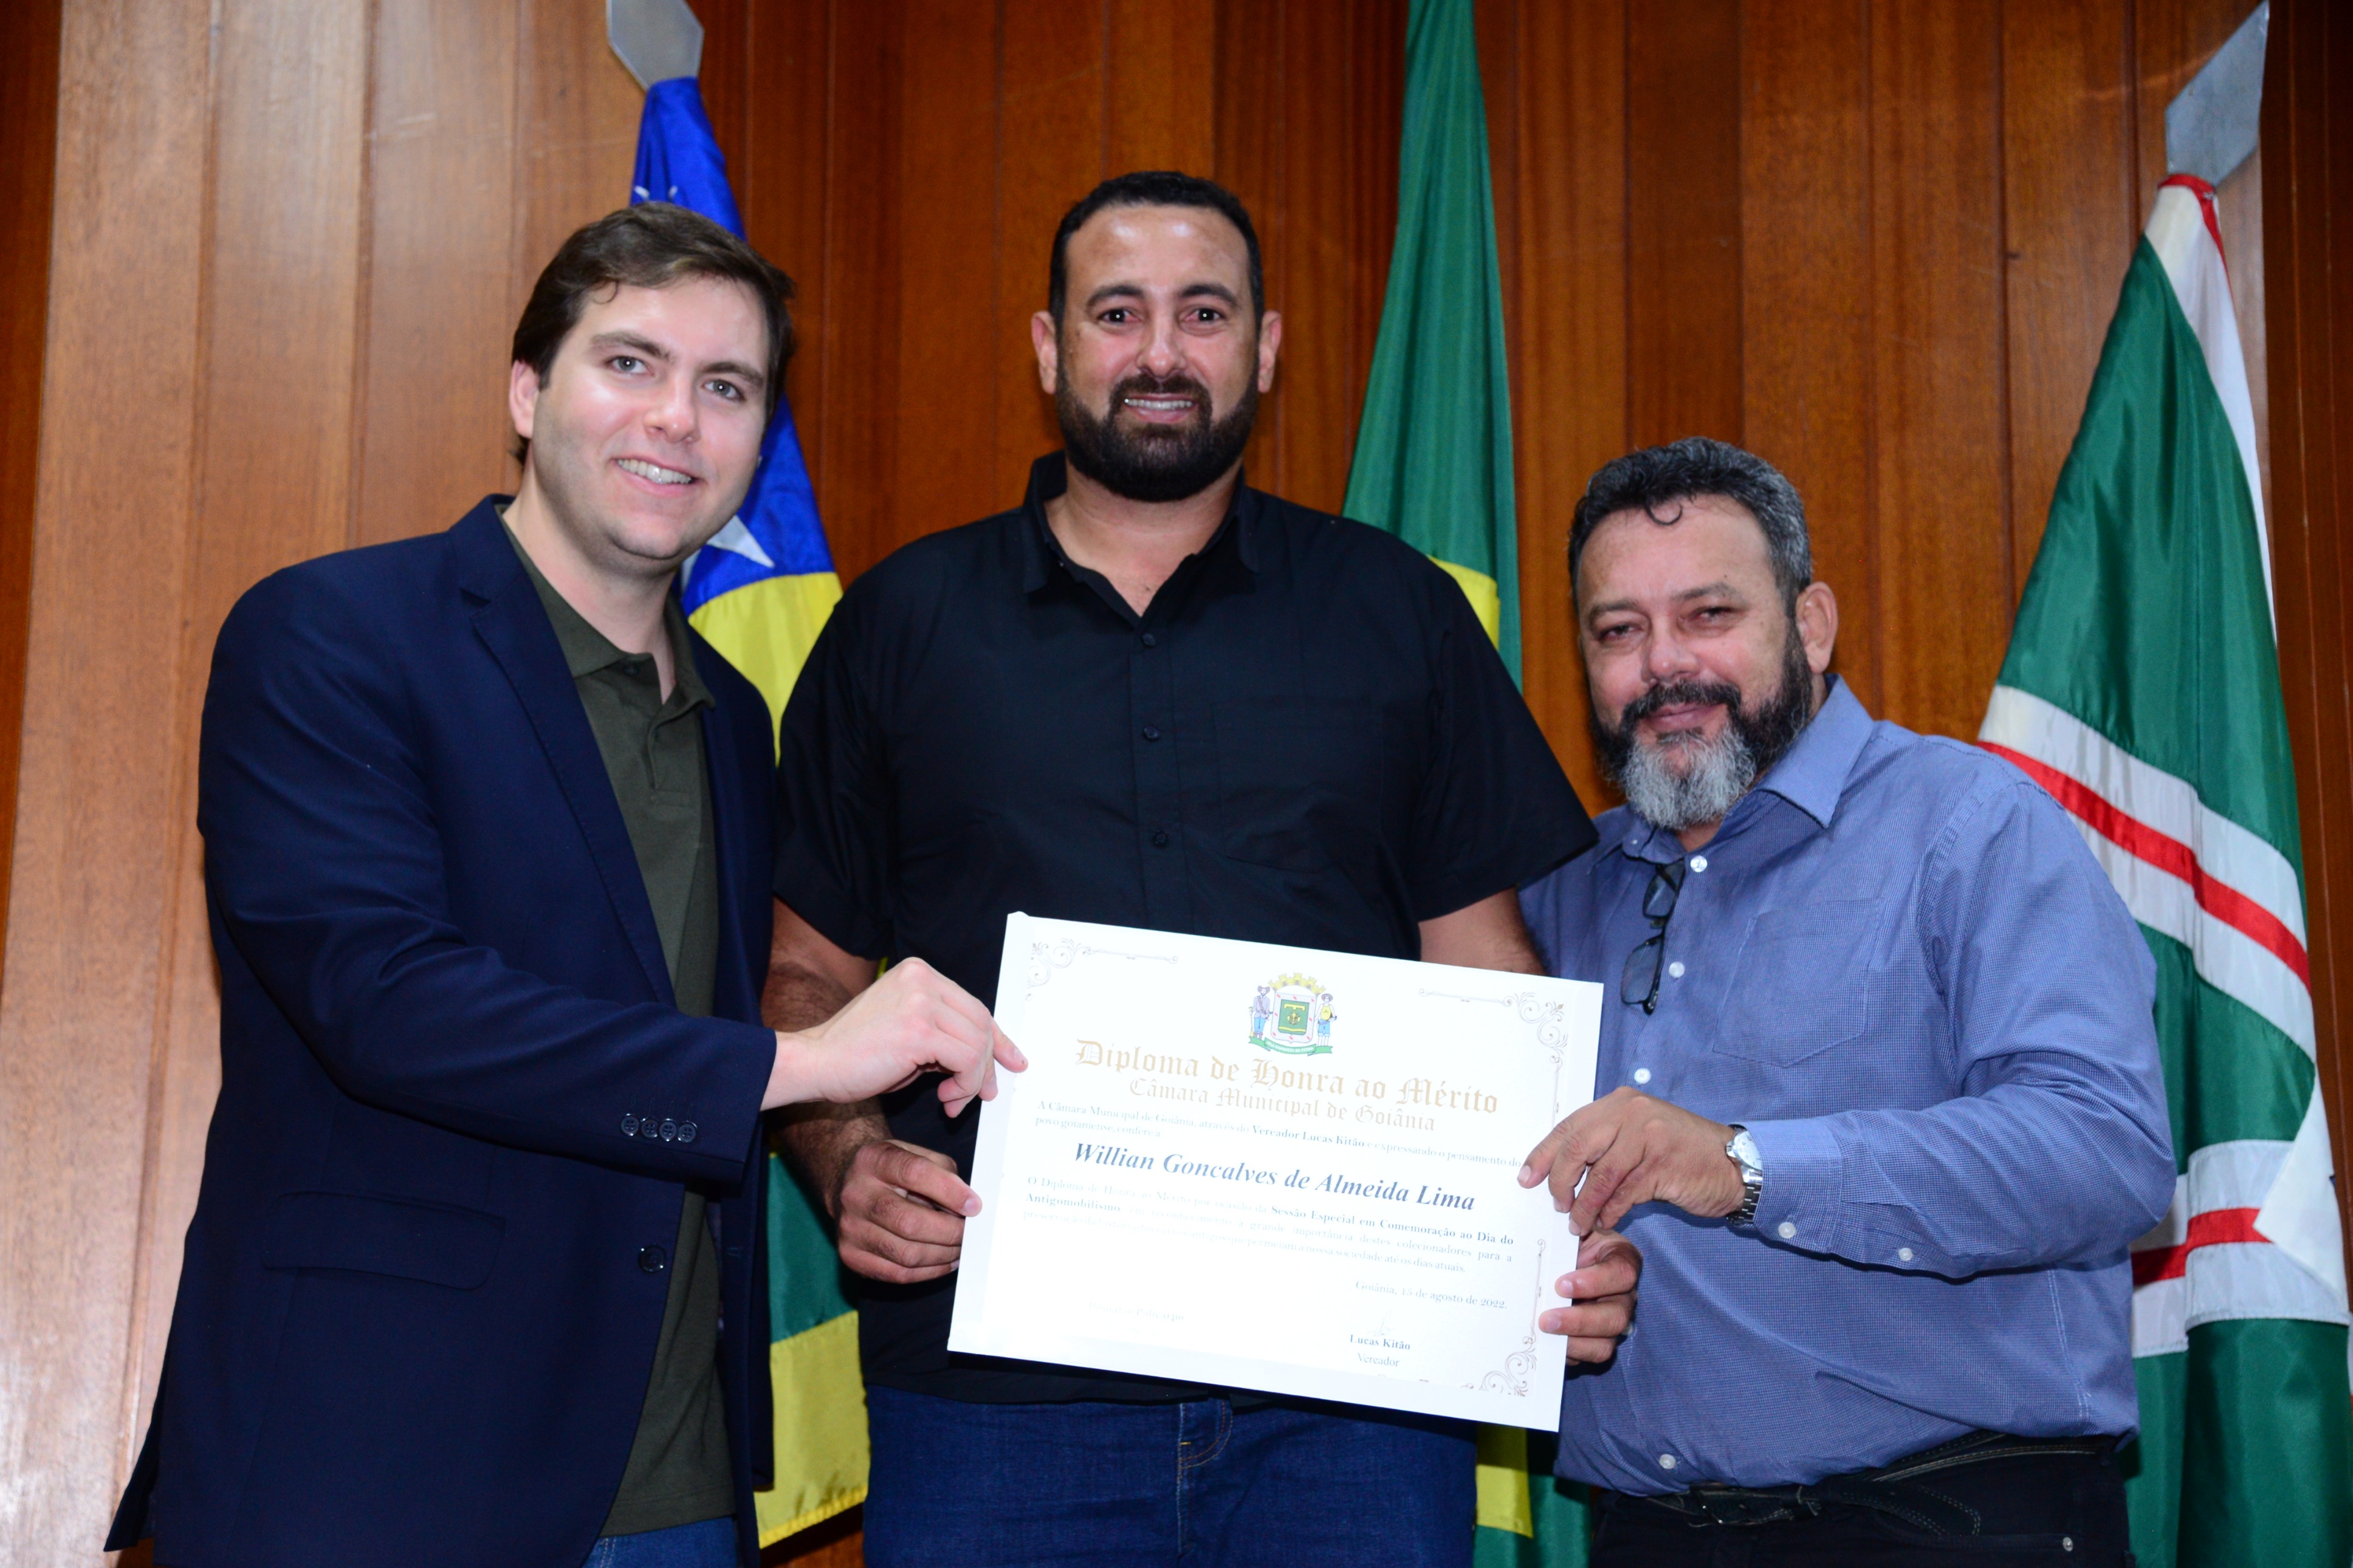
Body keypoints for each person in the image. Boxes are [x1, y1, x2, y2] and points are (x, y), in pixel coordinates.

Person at [105, 205, 1020, 1568]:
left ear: (757, 446)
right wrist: (802, 1060)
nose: (677, 418)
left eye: (727, 388)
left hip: (676, 1485)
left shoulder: (737, 719)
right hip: (379, 1462)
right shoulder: (332, 634)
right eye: (631, 363)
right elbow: (385, 1001)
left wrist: (845, 1129)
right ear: (528, 394)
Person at [763, 171, 1640, 1567]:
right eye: (1117, 313)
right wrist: (848, 1155)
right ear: (1050, 346)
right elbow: (805, 971)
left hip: (1351, 1406)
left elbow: (1484, 975)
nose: (1160, 352)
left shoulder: (1397, 611)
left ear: (1266, 348)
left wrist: (1545, 1238)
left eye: (1204, 313)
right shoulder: (902, 623)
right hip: (991, 1400)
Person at [1516, 437, 2176, 1566]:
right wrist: (1551, 1295)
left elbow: (2107, 1152)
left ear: (1811, 625)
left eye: (1709, 614)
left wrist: (1746, 1165)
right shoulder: (1555, 893)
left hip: (1950, 1525)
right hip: (1649, 1535)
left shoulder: (1970, 826)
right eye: (1619, 631)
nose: (1664, 665)